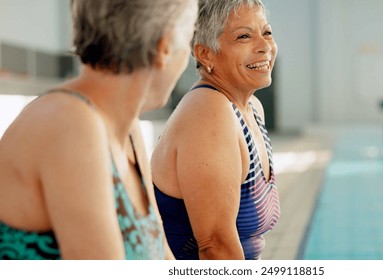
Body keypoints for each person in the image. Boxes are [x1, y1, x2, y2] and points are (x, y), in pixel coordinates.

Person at [0, 0, 197, 259]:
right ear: (165, 46)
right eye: (190, 35)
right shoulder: (70, 124)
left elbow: (161, 256)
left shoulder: (128, 128)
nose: (189, 55)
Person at [152, 0, 280, 260]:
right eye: (244, 36)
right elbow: (215, 247)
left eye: (266, 32)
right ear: (205, 54)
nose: (264, 46)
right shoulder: (209, 110)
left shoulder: (252, 108)